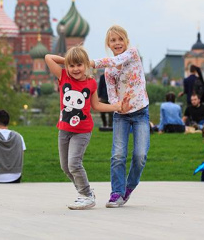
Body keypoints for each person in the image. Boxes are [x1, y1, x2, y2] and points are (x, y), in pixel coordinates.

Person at [45, 46, 125, 210]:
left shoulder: (91, 83)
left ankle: (86, 195)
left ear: (86, 65)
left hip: (82, 131)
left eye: (79, 65)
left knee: (74, 163)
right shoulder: (64, 77)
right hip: (64, 130)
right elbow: (48, 57)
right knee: (65, 167)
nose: (75, 69)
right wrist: (67, 61)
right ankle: (85, 193)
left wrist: (115, 106)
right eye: (72, 65)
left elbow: (96, 105)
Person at [91, 25, 150, 208]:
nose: (117, 43)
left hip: (140, 112)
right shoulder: (109, 71)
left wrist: (91, 63)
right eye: (113, 40)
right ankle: (116, 192)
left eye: (120, 39)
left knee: (140, 155)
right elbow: (112, 94)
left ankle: (128, 187)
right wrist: (117, 105)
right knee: (118, 155)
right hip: (121, 116)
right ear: (108, 44)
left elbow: (117, 59)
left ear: (126, 41)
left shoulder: (132, 54)